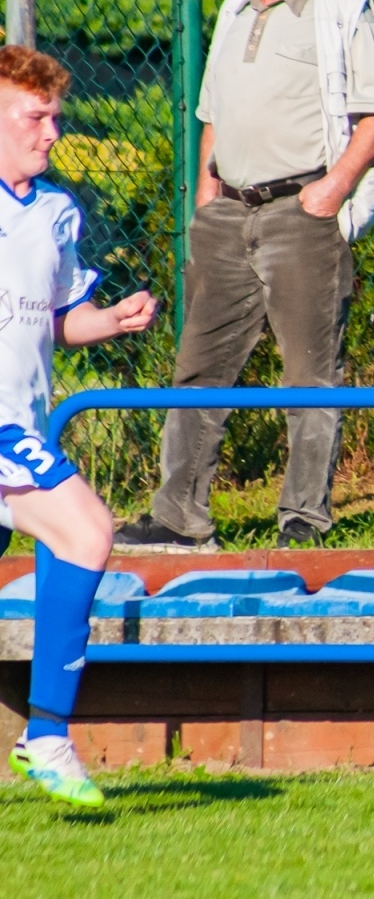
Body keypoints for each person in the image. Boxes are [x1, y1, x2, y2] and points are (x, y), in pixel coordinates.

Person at [114, 0, 374, 554]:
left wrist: (330, 191)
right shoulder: (233, 11)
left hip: (300, 212)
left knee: (310, 370)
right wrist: (204, 194)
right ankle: (180, 518)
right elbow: (212, 112)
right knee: (199, 366)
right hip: (226, 215)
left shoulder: (343, 9)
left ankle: (303, 521)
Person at [0, 46, 159, 807]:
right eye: (36, 116)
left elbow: (59, 321)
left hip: (18, 417)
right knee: (87, 529)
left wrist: (113, 321)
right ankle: (48, 735)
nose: (52, 131)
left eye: (56, 116)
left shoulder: (57, 213)